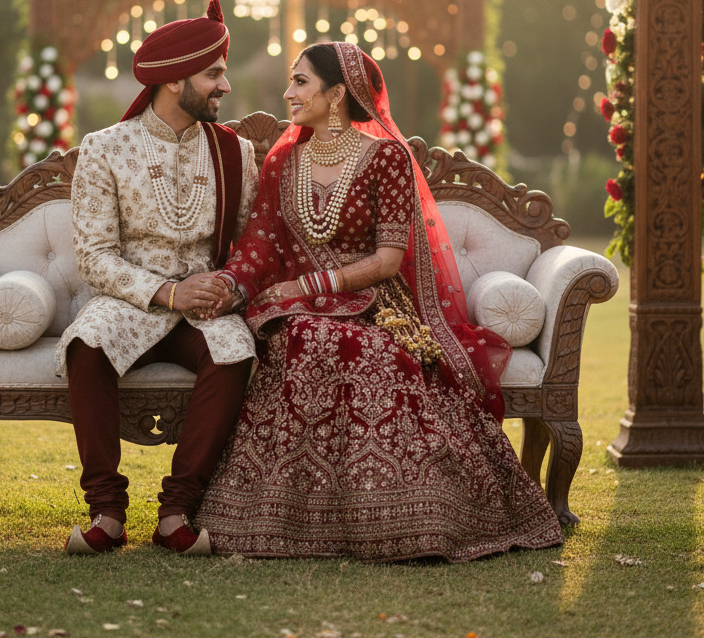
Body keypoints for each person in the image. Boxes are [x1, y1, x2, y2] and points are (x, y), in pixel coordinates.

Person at [197, 42, 564, 562]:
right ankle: (301, 518)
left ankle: (410, 511)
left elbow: (389, 259)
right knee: (307, 337)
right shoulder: (284, 160)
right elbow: (257, 247)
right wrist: (229, 285)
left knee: (372, 353)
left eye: (300, 81)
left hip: (374, 302)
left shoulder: (385, 157)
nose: (288, 92)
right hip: (297, 311)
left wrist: (311, 286)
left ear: (338, 92)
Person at [56, 0, 257, 557]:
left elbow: (253, 249)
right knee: (88, 343)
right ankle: (105, 511)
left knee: (234, 350)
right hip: (131, 300)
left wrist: (228, 287)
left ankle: (177, 510)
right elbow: (94, 256)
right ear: (174, 79)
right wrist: (166, 291)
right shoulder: (105, 148)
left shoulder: (234, 153)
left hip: (204, 306)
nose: (225, 85)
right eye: (214, 73)